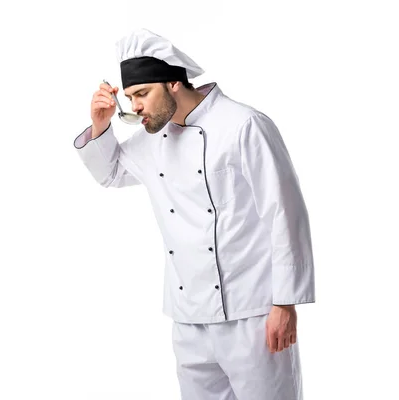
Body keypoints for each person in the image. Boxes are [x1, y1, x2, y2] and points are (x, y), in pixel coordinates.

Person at [72, 28, 315, 400]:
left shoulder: (243, 125)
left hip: (251, 313)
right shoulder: (153, 140)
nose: (135, 107)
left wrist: (285, 303)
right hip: (188, 318)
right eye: (131, 97)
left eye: (141, 95)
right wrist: (101, 125)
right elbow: (110, 173)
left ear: (172, 83)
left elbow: (284, 213)